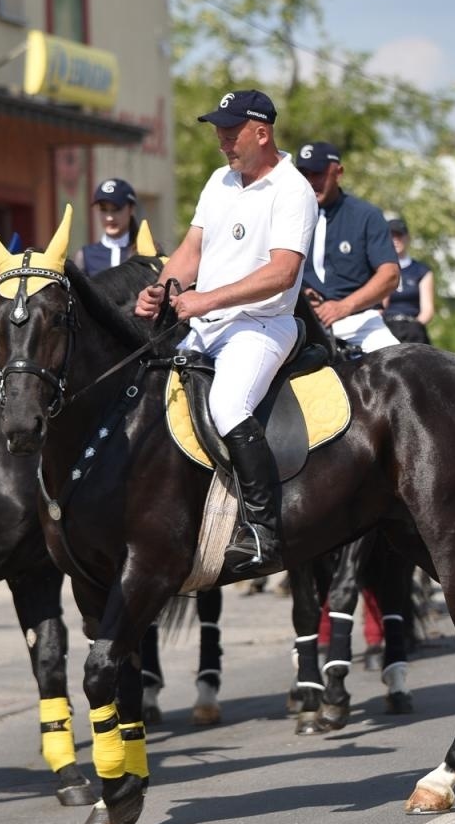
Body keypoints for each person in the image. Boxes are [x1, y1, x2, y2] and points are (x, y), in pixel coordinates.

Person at [134, 89, 317, 576]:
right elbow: (191, 251)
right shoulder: (219, 181)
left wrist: (206, 300)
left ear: (262, 132)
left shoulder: (292, 190)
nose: (222, 142)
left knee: (227, 406)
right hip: (207, 323)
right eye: (218, 131)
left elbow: (282, 273)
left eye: (231, 132)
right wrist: (162, 287)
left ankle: (261, 530)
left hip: (261, 327)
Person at [295, 141, 401, 354]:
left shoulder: (366, 215)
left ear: (339, 172)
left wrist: (343, 306)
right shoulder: (288, 215)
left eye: (318, 173)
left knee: (403, 367)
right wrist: (303, 294)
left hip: (359, 322)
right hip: (300, 322)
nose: (311, 182)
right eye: (305, 174)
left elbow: (390, 275)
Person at [74, 177, 142, 275]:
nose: (109, 218)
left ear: (131, 209)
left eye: (116, 209)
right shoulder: (85, 256)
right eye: (103, 210)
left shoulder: (145, 252)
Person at [383, 216, 434, 345]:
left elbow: (427, 309)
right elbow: (380, 306)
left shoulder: (421, 270)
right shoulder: (379, 269)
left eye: (399, 236)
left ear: (407, 238)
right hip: (385, 326)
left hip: (412, 327)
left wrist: (415, 326)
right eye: (391, 236)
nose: (396, 240)